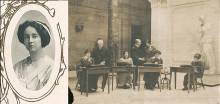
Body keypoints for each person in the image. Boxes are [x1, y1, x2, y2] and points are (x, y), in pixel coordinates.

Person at [14, 20, 53, 91]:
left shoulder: (51, 67)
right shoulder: (17, 67)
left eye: (34, 36)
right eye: (26, 37)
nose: (30, 40)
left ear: (42, 38)